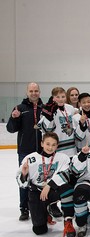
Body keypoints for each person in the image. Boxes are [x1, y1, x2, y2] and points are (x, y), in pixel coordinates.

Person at [16, 132, 76, 237]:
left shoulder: (63, 158)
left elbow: (66, 175)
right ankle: (46, 211)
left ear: (57, 146)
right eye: (48, 144)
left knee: (68, 189)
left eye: (53, 145)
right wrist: (24, 174)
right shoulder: (31, 158)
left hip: (53, 190)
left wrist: (49, 185)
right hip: (37, 193)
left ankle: (68, 221)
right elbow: (22, 184)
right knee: (39, 230)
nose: (50, 147)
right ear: (42, 143)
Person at [7, 82, 44, 221]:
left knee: (43, 177)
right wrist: (13, 117)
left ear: (39, 92)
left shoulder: (44, 108)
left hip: (42, 151)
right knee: (24, 178)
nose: (34, 93)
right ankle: (24, 208)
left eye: (36, 90)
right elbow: (11, 129)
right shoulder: (20, 108)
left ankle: (44, 205)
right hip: (25, 151)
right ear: (27, 92)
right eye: (31, 91)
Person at [38, 87, 77, 158]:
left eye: (63, 96)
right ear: (53, 98)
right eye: (57, 97)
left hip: (72, 149)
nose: (61, 99)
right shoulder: (48, 110)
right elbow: (46, 130)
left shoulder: (70, 108)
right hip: (58, 149)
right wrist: (49, 116)